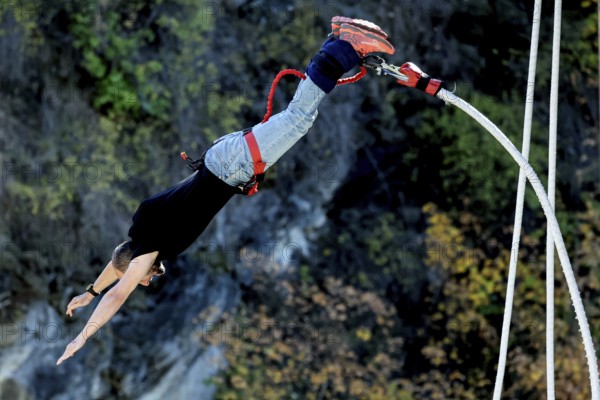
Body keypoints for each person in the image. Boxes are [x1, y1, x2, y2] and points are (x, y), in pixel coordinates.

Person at [56, 16, 395, 365]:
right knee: (296, 117)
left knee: (298, 119)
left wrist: (82, 337)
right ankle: (337, 41)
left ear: (137, 270)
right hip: (221, 155)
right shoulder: (140, 228)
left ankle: (345, 45)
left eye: (138, 279)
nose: (142, 282)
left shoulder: (151, 246)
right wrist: (90, 292)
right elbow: (118, 264)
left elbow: (118, 293)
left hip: (233, 167)